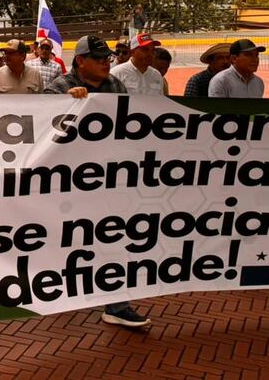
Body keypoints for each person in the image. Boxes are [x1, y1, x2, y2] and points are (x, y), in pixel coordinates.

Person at [44, 35, 153, 327]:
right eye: (99, 58)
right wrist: (67, 105)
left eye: (107, 57)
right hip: (68, 182)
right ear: (81, 61)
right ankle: (53, 290)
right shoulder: (58, 88)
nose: (107, 62)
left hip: (107, 179)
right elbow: (41, 129)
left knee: (113, 239)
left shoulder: (114, 86)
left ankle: (116, 306)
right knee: (63, 240)